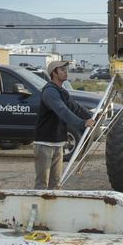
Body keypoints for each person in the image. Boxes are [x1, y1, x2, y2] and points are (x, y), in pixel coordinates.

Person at [32, 59, 95, 188]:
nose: (66, 72)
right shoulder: (49, 92)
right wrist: (83, 123)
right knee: (42, 184)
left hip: (58, 143)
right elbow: (63, 111)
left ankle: (53, 207)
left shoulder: (61, 91)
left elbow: (75, 107)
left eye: (66, 70)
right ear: (54, 73)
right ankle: (38, 207)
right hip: (44, 144)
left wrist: (93, 116)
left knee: (55, 183)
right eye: (62, 70)